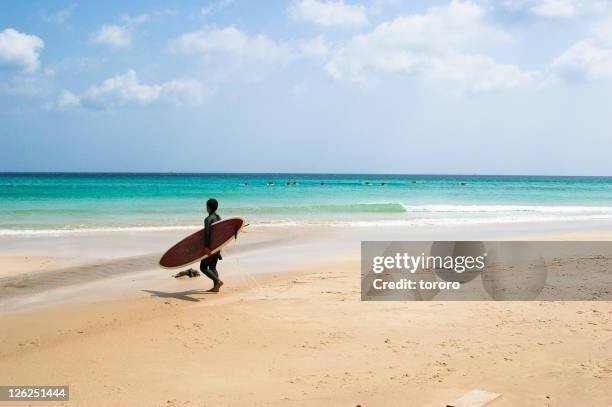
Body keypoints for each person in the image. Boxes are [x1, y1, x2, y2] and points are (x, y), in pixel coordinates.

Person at [178, 198, 224, 292]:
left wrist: (207, 247)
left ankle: (217, 281)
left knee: (203, 267)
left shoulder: (208, 219)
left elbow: (207, 234)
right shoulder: (219, 217)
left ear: (208, 207)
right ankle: (216, 287)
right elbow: (220, 233)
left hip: (210, 247)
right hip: (217, 246)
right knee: (212, 267)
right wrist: (220, 247)